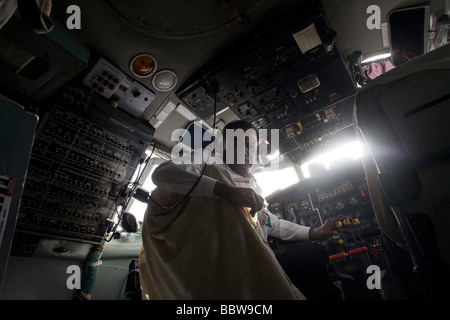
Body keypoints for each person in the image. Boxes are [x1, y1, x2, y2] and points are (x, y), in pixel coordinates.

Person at [139, 120, 345, 300]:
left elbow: (271, 223)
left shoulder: (253, 187)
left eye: (251, 146)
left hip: (256, 254)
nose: (245, 150)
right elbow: (162, 174)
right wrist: (225, 191)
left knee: (316, 257)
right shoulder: (206, 161)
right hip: (218, 262)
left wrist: (313, 232)